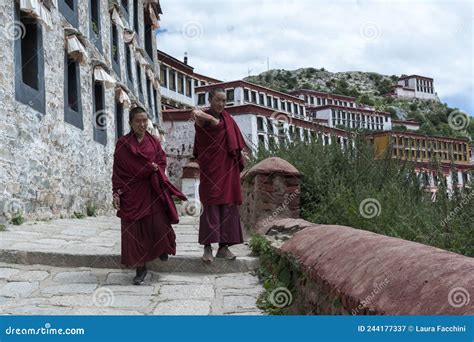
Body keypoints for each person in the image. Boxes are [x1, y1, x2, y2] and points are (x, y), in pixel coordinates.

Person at [112, 106, 186, 285]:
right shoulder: (123, 144)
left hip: (153, 190)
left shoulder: (154, 142)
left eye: (145, 120)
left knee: (159, 225)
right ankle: (140, 269)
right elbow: (118, 171)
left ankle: (162, 248)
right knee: (135, 232)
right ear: (130, 122)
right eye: (138, 121)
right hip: (132, 192)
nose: (142, 124)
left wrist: (156, 170)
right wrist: (117, 193)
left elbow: (161, 161)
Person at [192, 88, 249, 263]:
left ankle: (224, 248)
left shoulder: (228, 120)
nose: (222, 104)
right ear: (210, 100)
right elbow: (194, 113)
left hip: (228, 169)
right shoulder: (205, 117)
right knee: (210, 205)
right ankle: (207, 247)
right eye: (218, 100)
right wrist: (212, 120)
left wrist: (241, 156)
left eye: (224, 101)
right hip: (211, 170)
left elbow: (235, 145)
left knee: (228, 206)